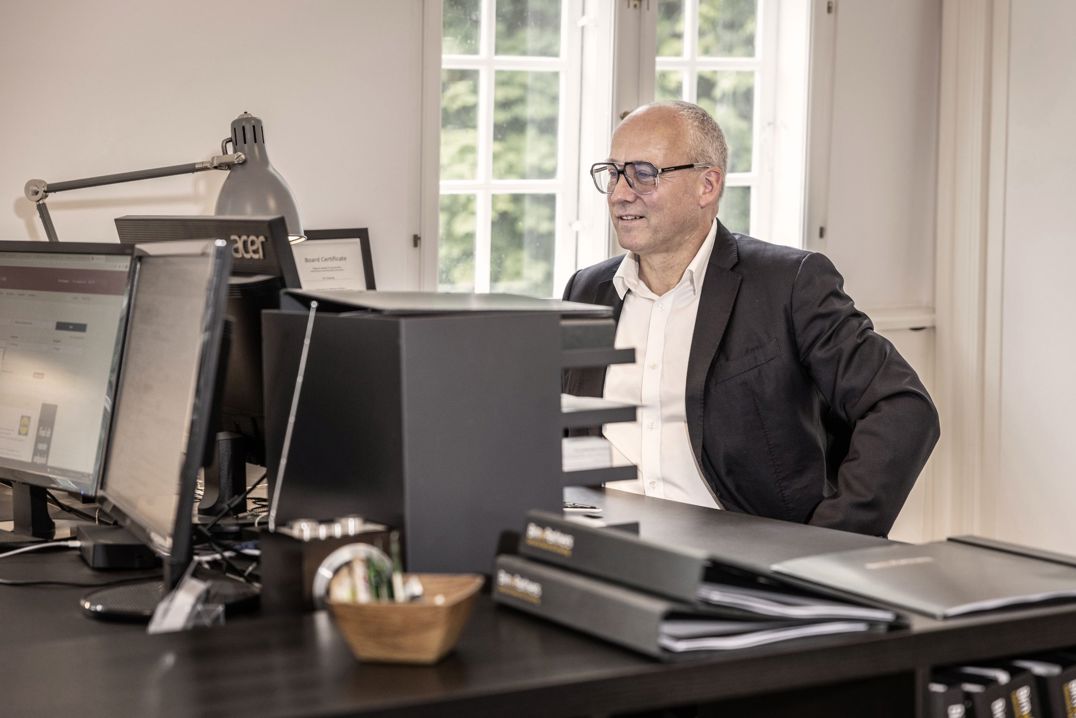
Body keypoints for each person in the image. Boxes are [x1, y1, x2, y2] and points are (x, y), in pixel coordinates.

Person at [562, 101, 939, 537]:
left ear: (707, 185)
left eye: (643, 174)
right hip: (606, 547)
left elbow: (902, 407)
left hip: (740, 557)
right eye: (612, 173)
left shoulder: (789, 284)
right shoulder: (586, 290)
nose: (619, 194)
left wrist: (830, 541)